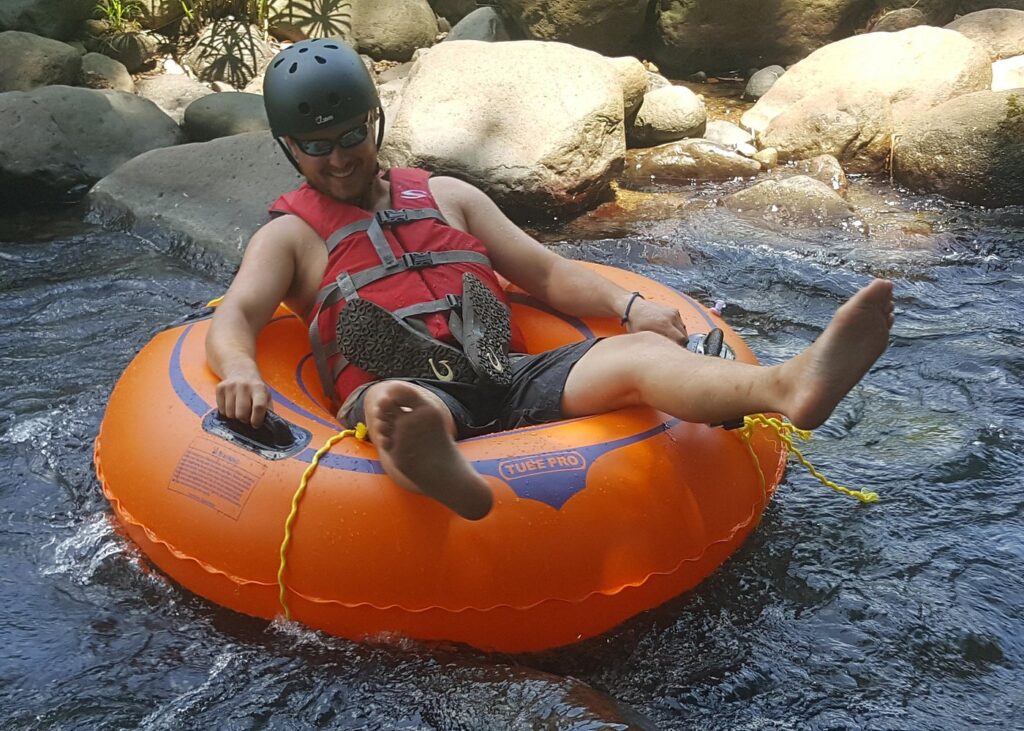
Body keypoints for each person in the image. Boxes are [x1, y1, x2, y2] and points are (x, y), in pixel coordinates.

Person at [207, 39, 895, 521]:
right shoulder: (288, 238)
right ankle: (437, 464)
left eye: (350, 137)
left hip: (505, 372)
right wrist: (240, 371)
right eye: (316, 146)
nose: (337, 159)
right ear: (289, 147)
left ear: (373, 123)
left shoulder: (448, 196)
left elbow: (546, 272)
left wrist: (629, 304)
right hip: (408, 388)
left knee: (639, 355)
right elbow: (235, 317)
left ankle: (787, 387)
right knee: (396, 402)